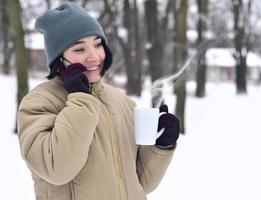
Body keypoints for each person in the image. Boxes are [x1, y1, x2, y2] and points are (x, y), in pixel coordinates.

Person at [17, 2, 180, 200]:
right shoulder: (39, 104)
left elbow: (140, 183)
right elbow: (57, 170)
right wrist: (81, 100)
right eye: (79, 49)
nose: (94, 57)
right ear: (59, 60)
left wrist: (161, 146)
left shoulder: (122, 102)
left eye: (98, 44)